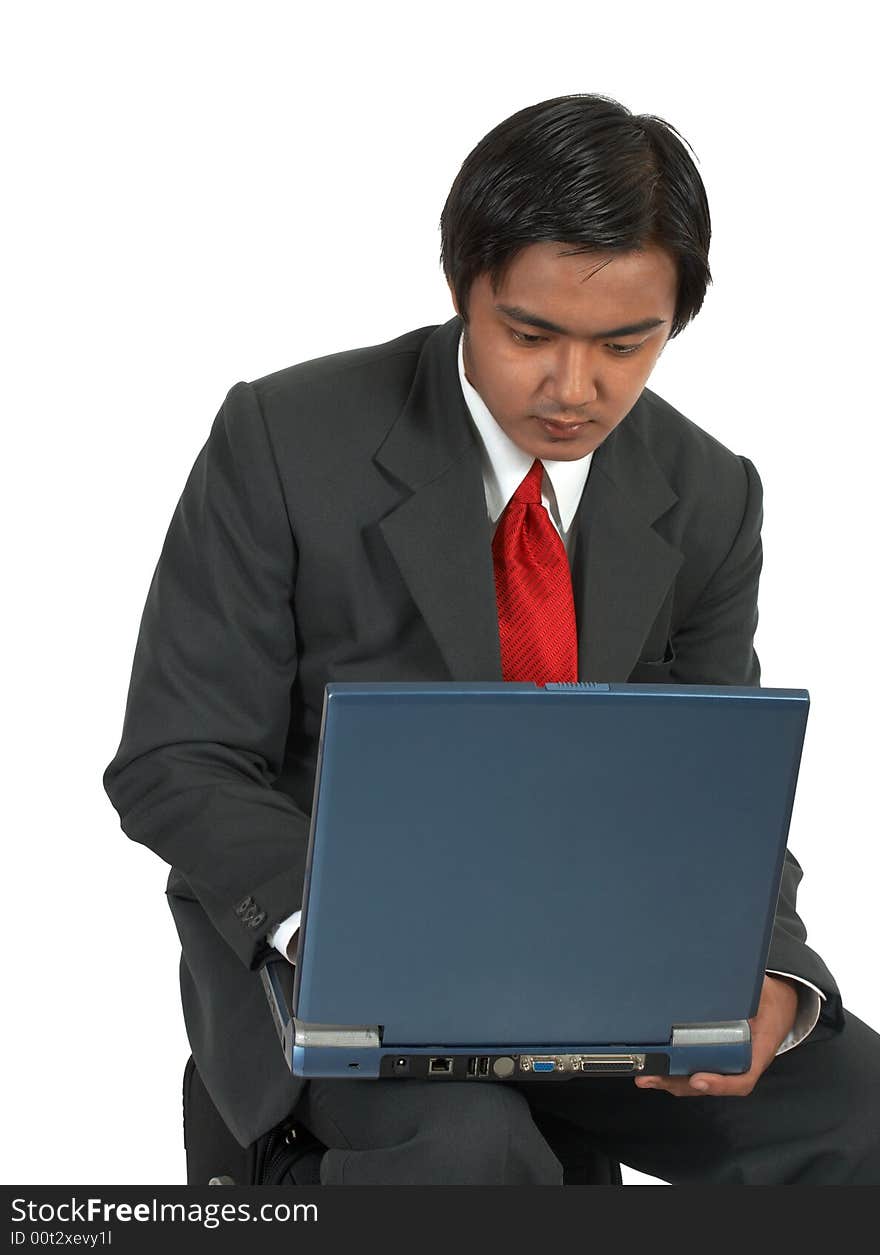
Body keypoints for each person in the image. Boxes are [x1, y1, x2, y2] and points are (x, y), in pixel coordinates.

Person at [102, 93, 880, 1184]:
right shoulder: (283, 439)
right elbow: (175, 759)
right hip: (345, 968)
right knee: (470, 1151)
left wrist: (767, 968)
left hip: (611, 967)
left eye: (625, 343)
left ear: (676, 321)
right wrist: (325, 927)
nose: (574, 389)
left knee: (863, 1110)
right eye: (529, 335)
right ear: (463, 288)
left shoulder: (707, 493)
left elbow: (714, 792)